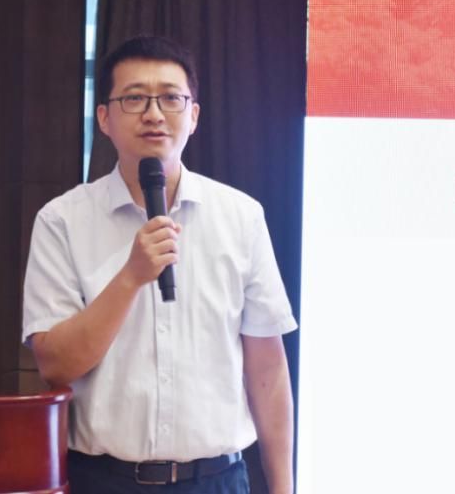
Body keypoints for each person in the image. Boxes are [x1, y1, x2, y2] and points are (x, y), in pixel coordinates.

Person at [21, 36, 297, 494]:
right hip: (104, 480)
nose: (153, 114)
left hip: (216, 480)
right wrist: (131, 277)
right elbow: (56, 365)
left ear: (194, 115)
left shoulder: (241, 217)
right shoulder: (62, 221)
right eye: (134, 99)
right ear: (104, 118)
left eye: (170, 98)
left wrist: (284, 487)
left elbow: (267, 369)